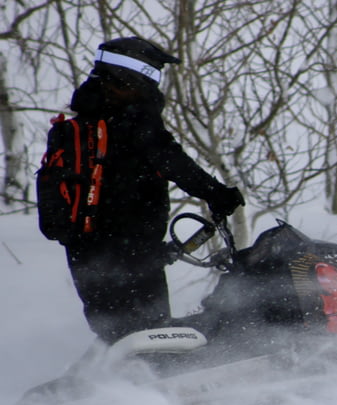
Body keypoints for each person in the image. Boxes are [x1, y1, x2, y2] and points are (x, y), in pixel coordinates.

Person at [45, 37, 245, 343]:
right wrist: (217, 193)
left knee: (115, 332)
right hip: (131, 245)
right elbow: (172, 161)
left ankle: (117, 383)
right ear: (132, 75)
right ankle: (156, 386)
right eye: (152, 73)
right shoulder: (133, 119)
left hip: (84, 251)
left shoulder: (80, 124)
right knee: (153, 331)